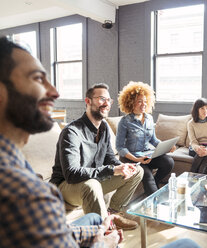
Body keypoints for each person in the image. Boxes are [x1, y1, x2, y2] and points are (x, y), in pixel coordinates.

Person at [0, 36, 120, 247]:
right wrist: (104, 243)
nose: (54, 92)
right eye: (38, 78)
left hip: (60, 222)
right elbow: (72, 174)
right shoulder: (26, 190)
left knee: (94, 220)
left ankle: (104, 221)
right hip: (72, 185)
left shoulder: (15, 159)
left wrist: (98, 230)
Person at [50, 83, 144, 230]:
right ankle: (103, 233)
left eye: (109, 100)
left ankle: (112, 215)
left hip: (92, 179)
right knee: (92, 184)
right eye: (101, 99)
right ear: (88, 101)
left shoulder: (104, 127)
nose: (106, 103)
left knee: (136, 171)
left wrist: (122, 167)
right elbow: (71, 174)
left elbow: (109, 157)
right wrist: (112, 170)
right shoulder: (72, 132)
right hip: (66, 187)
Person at [116, 81, 175, 196]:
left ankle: (156, 182)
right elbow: (120, 147)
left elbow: (153, 140)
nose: (143, 104)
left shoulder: (149, 118)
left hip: (148, 155)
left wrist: (166, 146)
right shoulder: (125, 122)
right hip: (132, 157)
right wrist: (137, 159)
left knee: (169, 162)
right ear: (130, 102)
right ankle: (153, 200)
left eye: (145, 101)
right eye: (139, 101)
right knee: (147, 175)